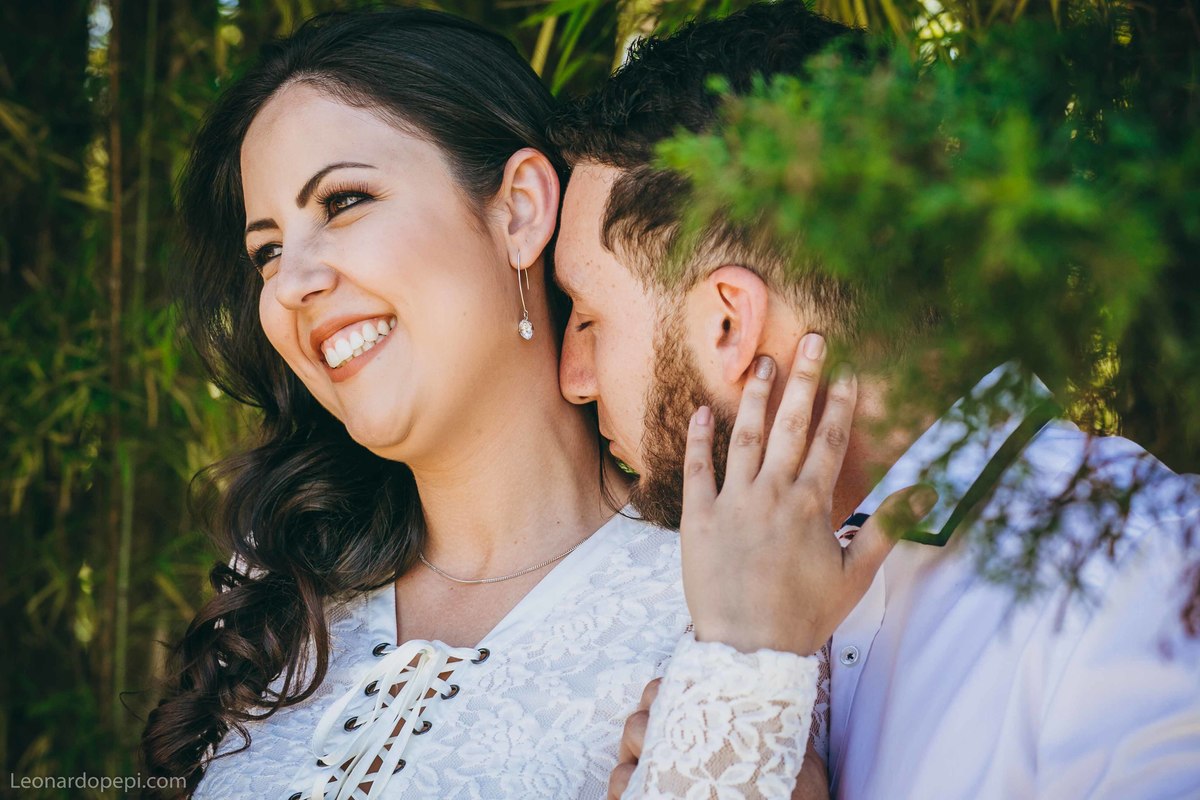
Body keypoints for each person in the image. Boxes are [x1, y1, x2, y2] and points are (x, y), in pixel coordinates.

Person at [141, 7, 913, 799]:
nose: (292, 283)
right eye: (265, 251)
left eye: (342, 202)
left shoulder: (748, 585)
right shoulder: (281, 602)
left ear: (518, 210)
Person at [545, 2, 1200, 798]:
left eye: (586, 317)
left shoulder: (1151, 571)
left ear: (728, 321)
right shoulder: (690, 600)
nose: (573, 376)